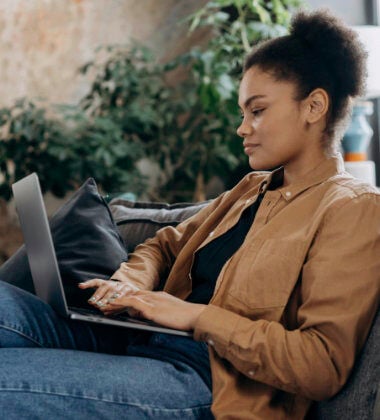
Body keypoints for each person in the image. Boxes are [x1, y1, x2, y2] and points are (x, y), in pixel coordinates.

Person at [0, 9, 379, 420]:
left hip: (206, 381)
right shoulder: (251, 190)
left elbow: (321, 365)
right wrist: (130, 284)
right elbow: (164, 244)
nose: (242, 128)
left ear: (314, 106)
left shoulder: (352, 209)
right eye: (242, 113)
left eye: (258, 110)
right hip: (138, 341)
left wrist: (194, 315)